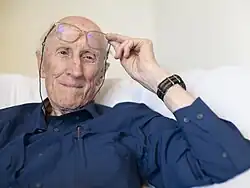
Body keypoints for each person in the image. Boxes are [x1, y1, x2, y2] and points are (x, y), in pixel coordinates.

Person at [0, 16, 250, 188]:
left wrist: (156, 78)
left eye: (88, 57)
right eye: (64, 52)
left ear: (101, 75)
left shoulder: (131, 123)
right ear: (41, 64)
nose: (75, 70)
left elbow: (232, 164)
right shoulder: (6, 122)